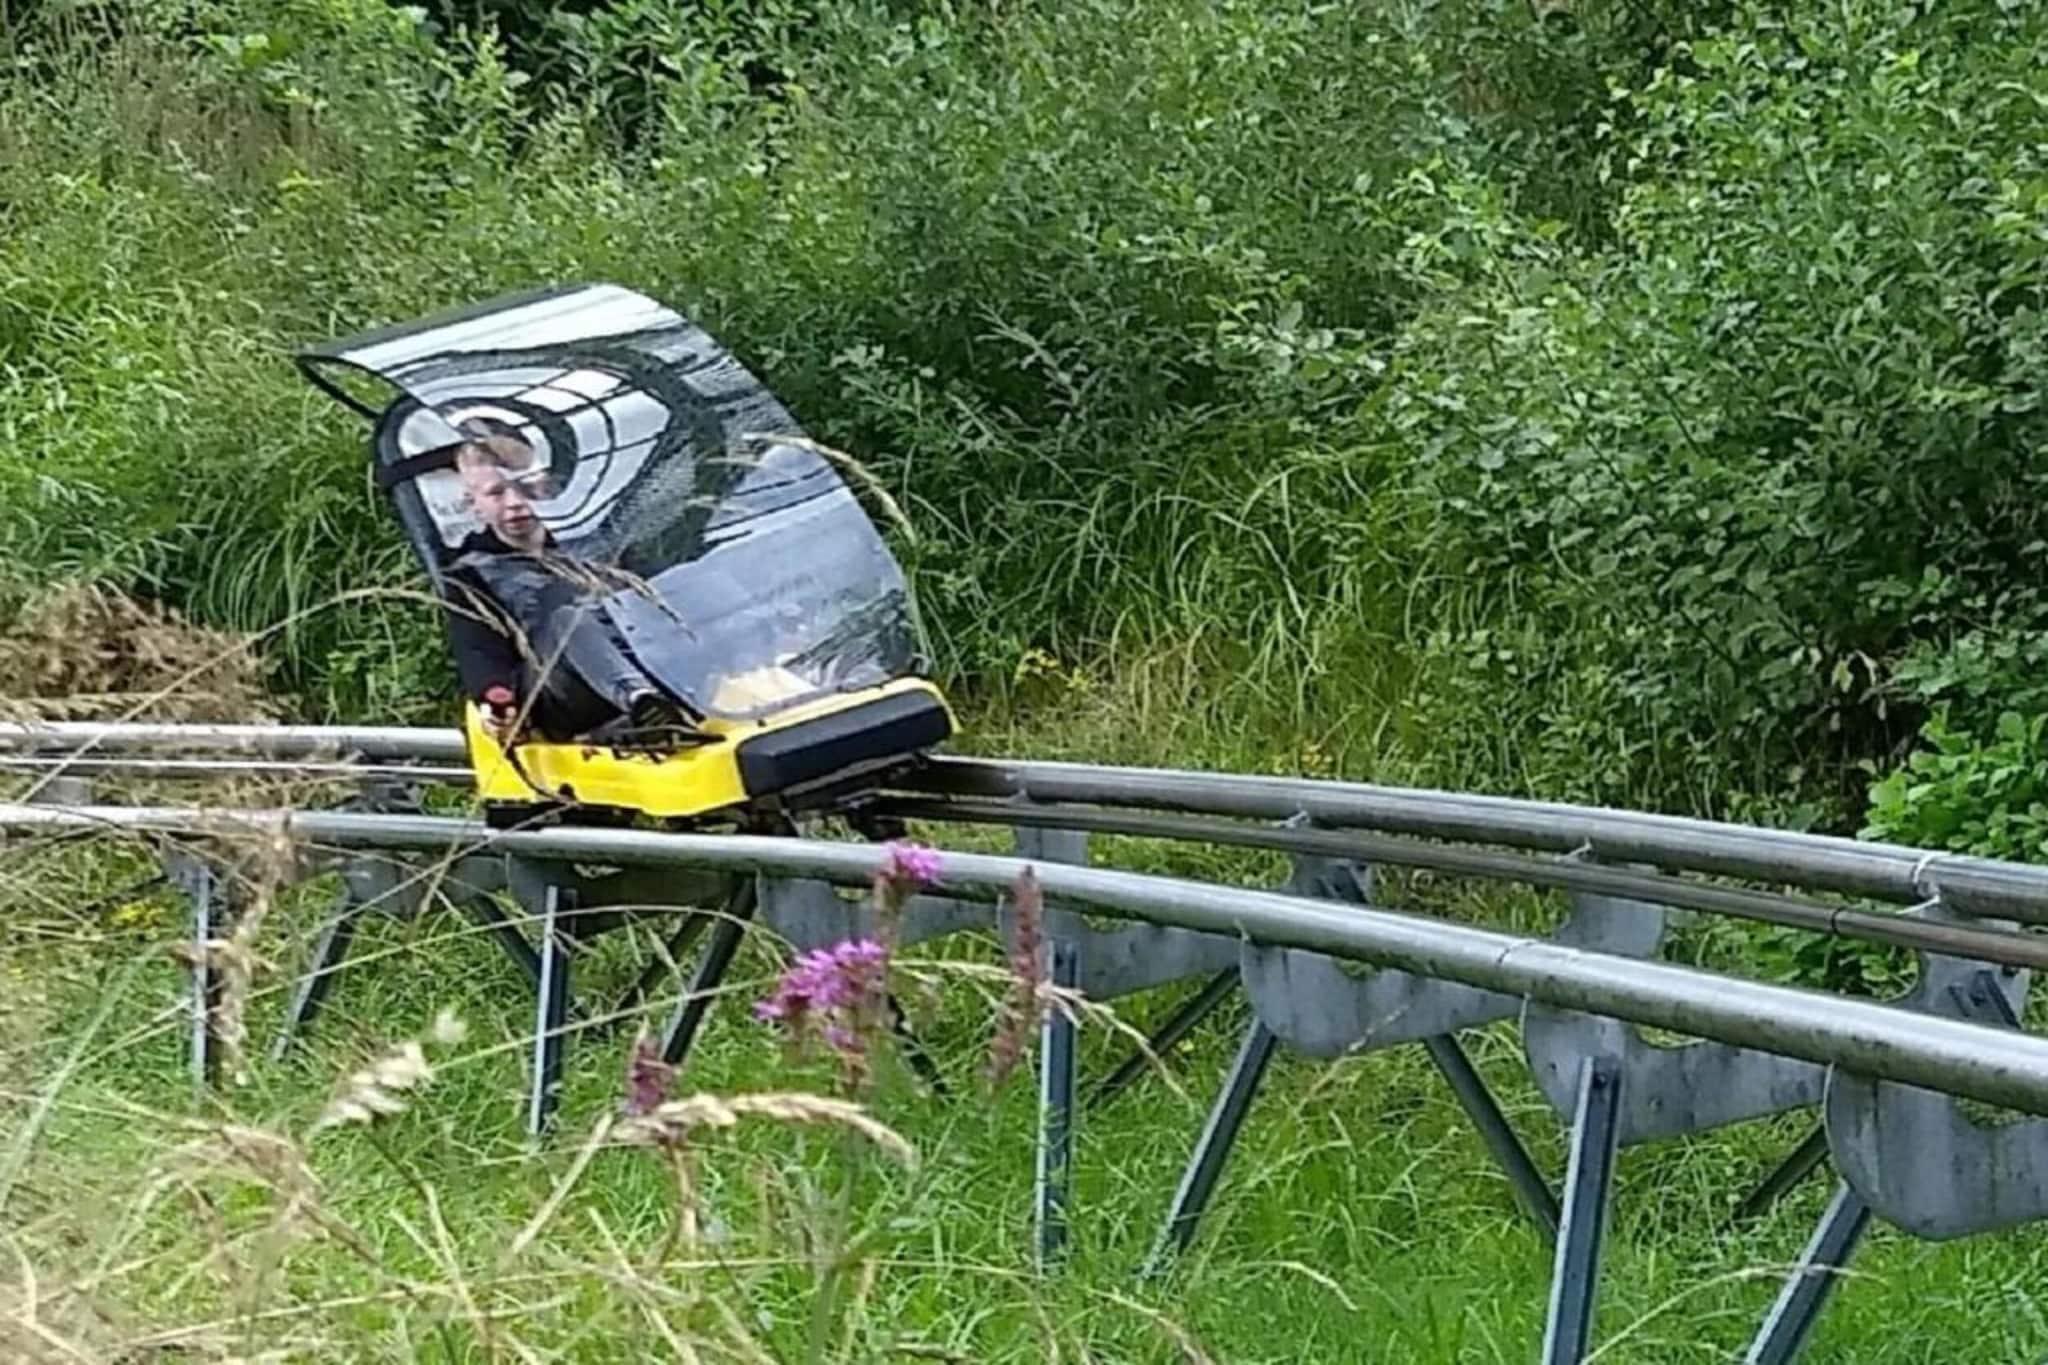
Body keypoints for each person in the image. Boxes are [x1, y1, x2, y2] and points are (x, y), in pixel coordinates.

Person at [439, 431, 695, 745]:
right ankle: (642, 702)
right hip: (559, 692)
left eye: (526, 488)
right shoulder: (472, 573)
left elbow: (656, 594)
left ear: (546, 488)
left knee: (688, 582)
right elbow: (477, 650)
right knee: (569, 619)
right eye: (496, 493)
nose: (515, 503)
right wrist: (495, 698)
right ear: (474, 504)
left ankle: (684, 687)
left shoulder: (595, 542)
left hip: (641, 657)